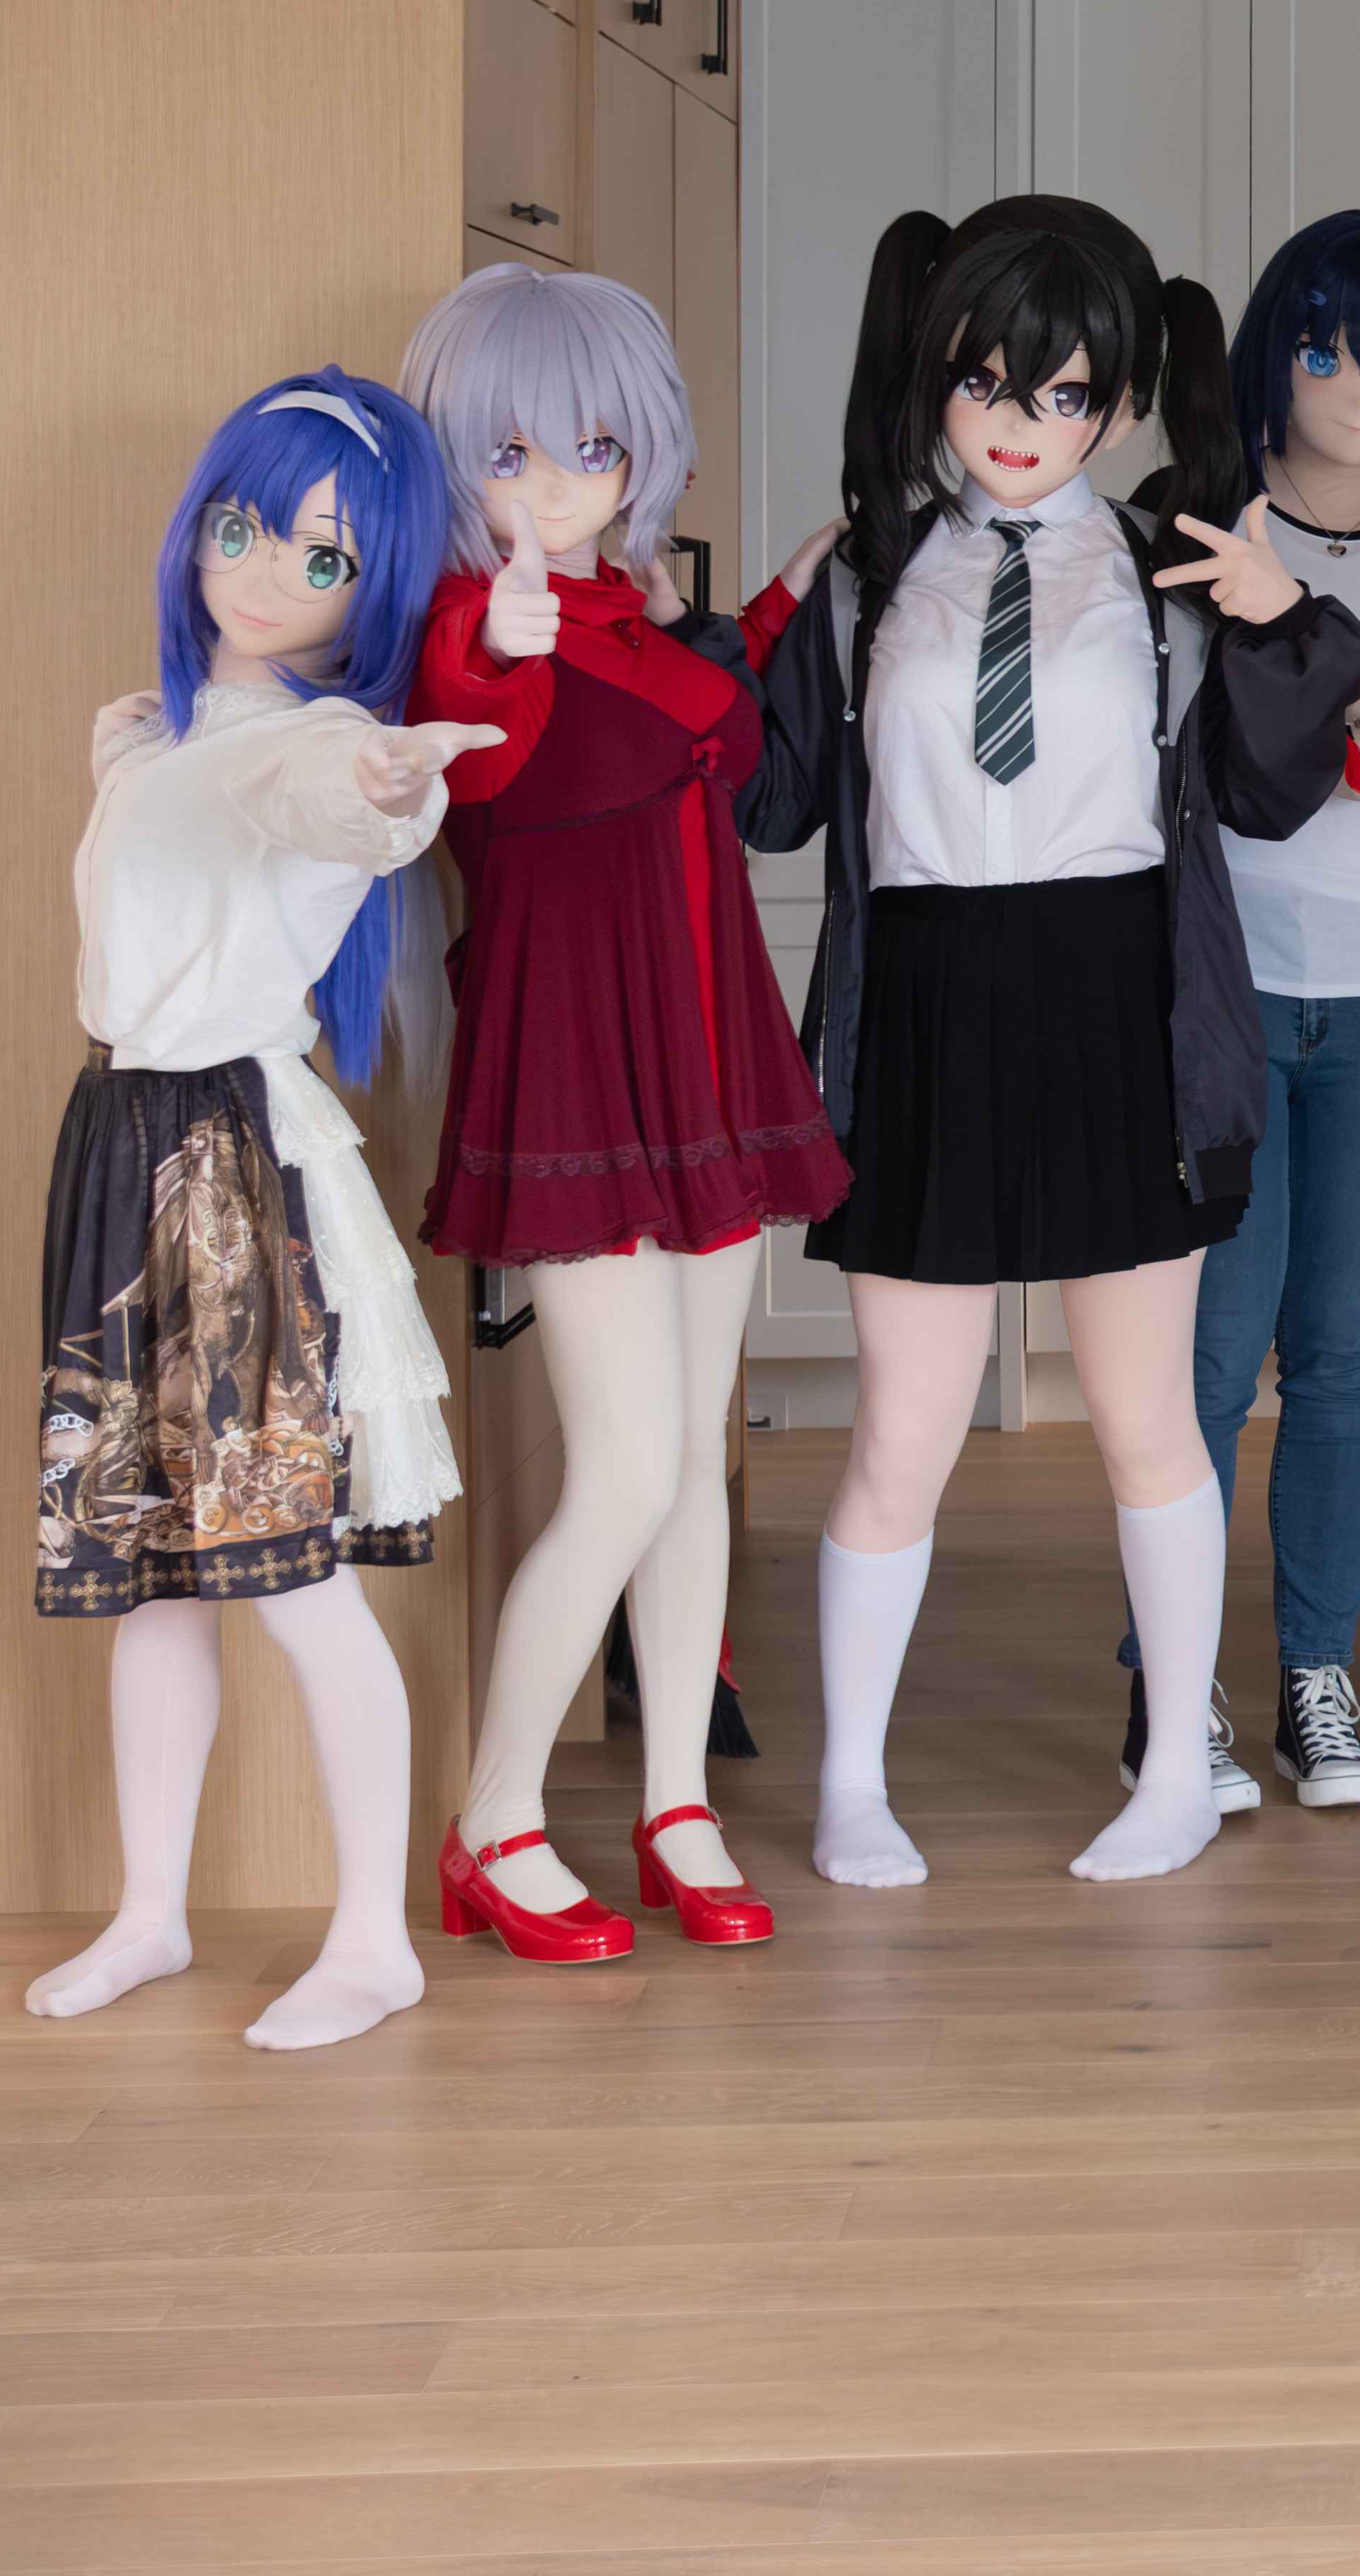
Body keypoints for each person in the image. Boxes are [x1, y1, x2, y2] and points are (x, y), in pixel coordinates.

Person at [738, 200, 1360, 1888]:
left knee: (1146, 1413)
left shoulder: (1170, 569)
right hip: (925, 995)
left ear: (1124, 403)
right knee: (903, 1428)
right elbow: (770, 801)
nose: (1019, 424)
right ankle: (852, 1785)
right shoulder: (865, 572)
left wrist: (1282, 618)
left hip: (1116, 993)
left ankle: (1175, 1774)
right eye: (987, 383)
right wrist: (727, 634)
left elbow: (1269, 791)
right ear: (933, 375)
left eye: (1067, 393)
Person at [29, 372, 483, 2051]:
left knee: (293, 1571)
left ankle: (372, 1937)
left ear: (373, 591)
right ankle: (150, 1911)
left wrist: (396, 783)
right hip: (116, 1135)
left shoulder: (315, 746)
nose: (268, 571)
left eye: (323, 556)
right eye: (245, 526)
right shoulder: (150, 734)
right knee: (152, 1569)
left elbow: (344, 805)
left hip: (225, 1160)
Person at [400, 266, 839, 1959]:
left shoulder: (629, 611)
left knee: (691, 1462)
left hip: (708, 1057)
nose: (557, 486)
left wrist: (769, 607)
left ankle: (675, 1804)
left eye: (593, 448)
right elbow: (474, 763)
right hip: (578, 1075)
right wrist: (494, 651)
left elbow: (705, 738)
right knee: (630, 1466)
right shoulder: (467, 629)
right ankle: (492, 1820)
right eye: (511, 452)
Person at [1122, 209, 1360, 1815]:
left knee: (1346, 1355)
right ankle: (1172, 1693)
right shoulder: (1184, 523)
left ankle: (1316, 1684)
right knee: (1208, 1359)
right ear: (1274, 354)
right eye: (1331, 350)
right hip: (1215, 993)